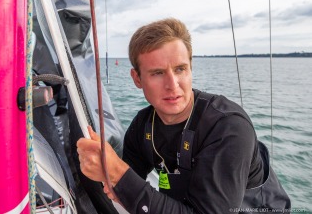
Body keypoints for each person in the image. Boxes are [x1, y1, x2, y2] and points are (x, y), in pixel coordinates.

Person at [77, 18, 290, 213]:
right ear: (137, 79)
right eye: (158, 73)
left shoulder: (228, 128)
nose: (173, 85)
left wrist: (118, 174)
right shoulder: (143, 126)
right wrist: (103, 171)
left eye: (180, 69)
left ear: (191, 69)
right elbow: (121, 189)